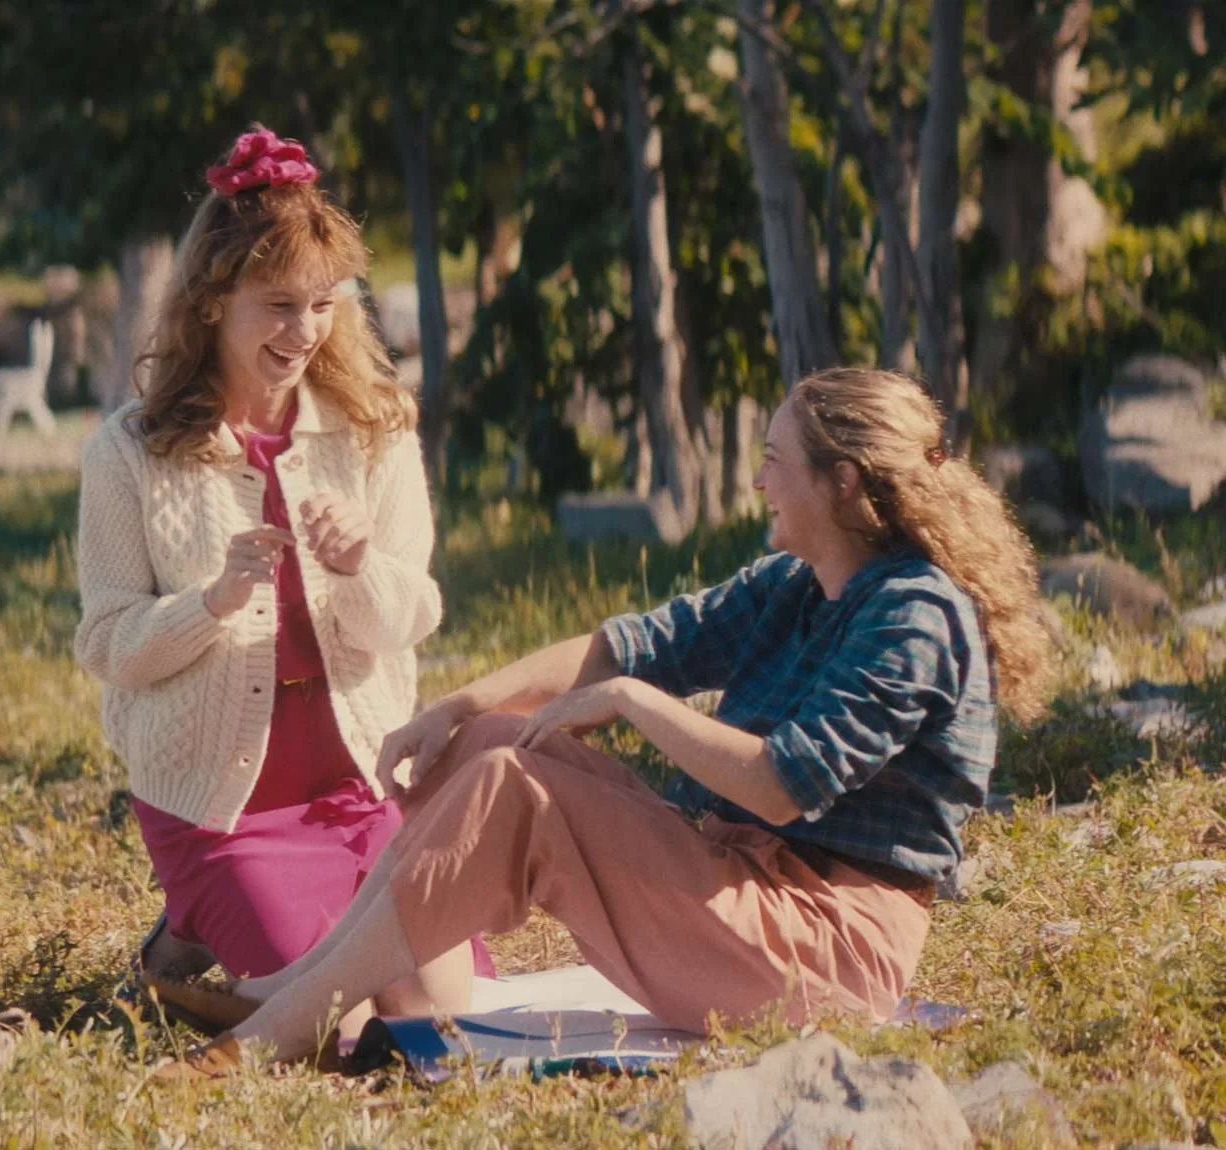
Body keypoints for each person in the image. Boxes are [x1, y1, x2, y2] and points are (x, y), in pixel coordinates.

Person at [151, 366, 1059, 1079]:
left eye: (775, 460)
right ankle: (328, 994)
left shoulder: (913, 615)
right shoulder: (799, 584)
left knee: (520, 789)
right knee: (493, 742)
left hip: (828, 952)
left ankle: (286, 1023)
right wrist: (457, 708)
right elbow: (629, 644)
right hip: (745, 891)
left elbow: (785, 785)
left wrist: (633, 707)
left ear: (844, 482)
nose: (757, 479)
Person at [74, 126, 490, 1038]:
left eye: (322, 303)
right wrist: (209, 605)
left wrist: (356, 570)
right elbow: (107, 644)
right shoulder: (127, 452)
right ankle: (198, 928)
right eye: (278, 305)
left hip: (365, 788)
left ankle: (192, 965)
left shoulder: (376, 430)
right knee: (341, 1029)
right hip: (220, 809)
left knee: (442, 1013)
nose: (304, 332)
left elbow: (412, 612)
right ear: (214, 303)